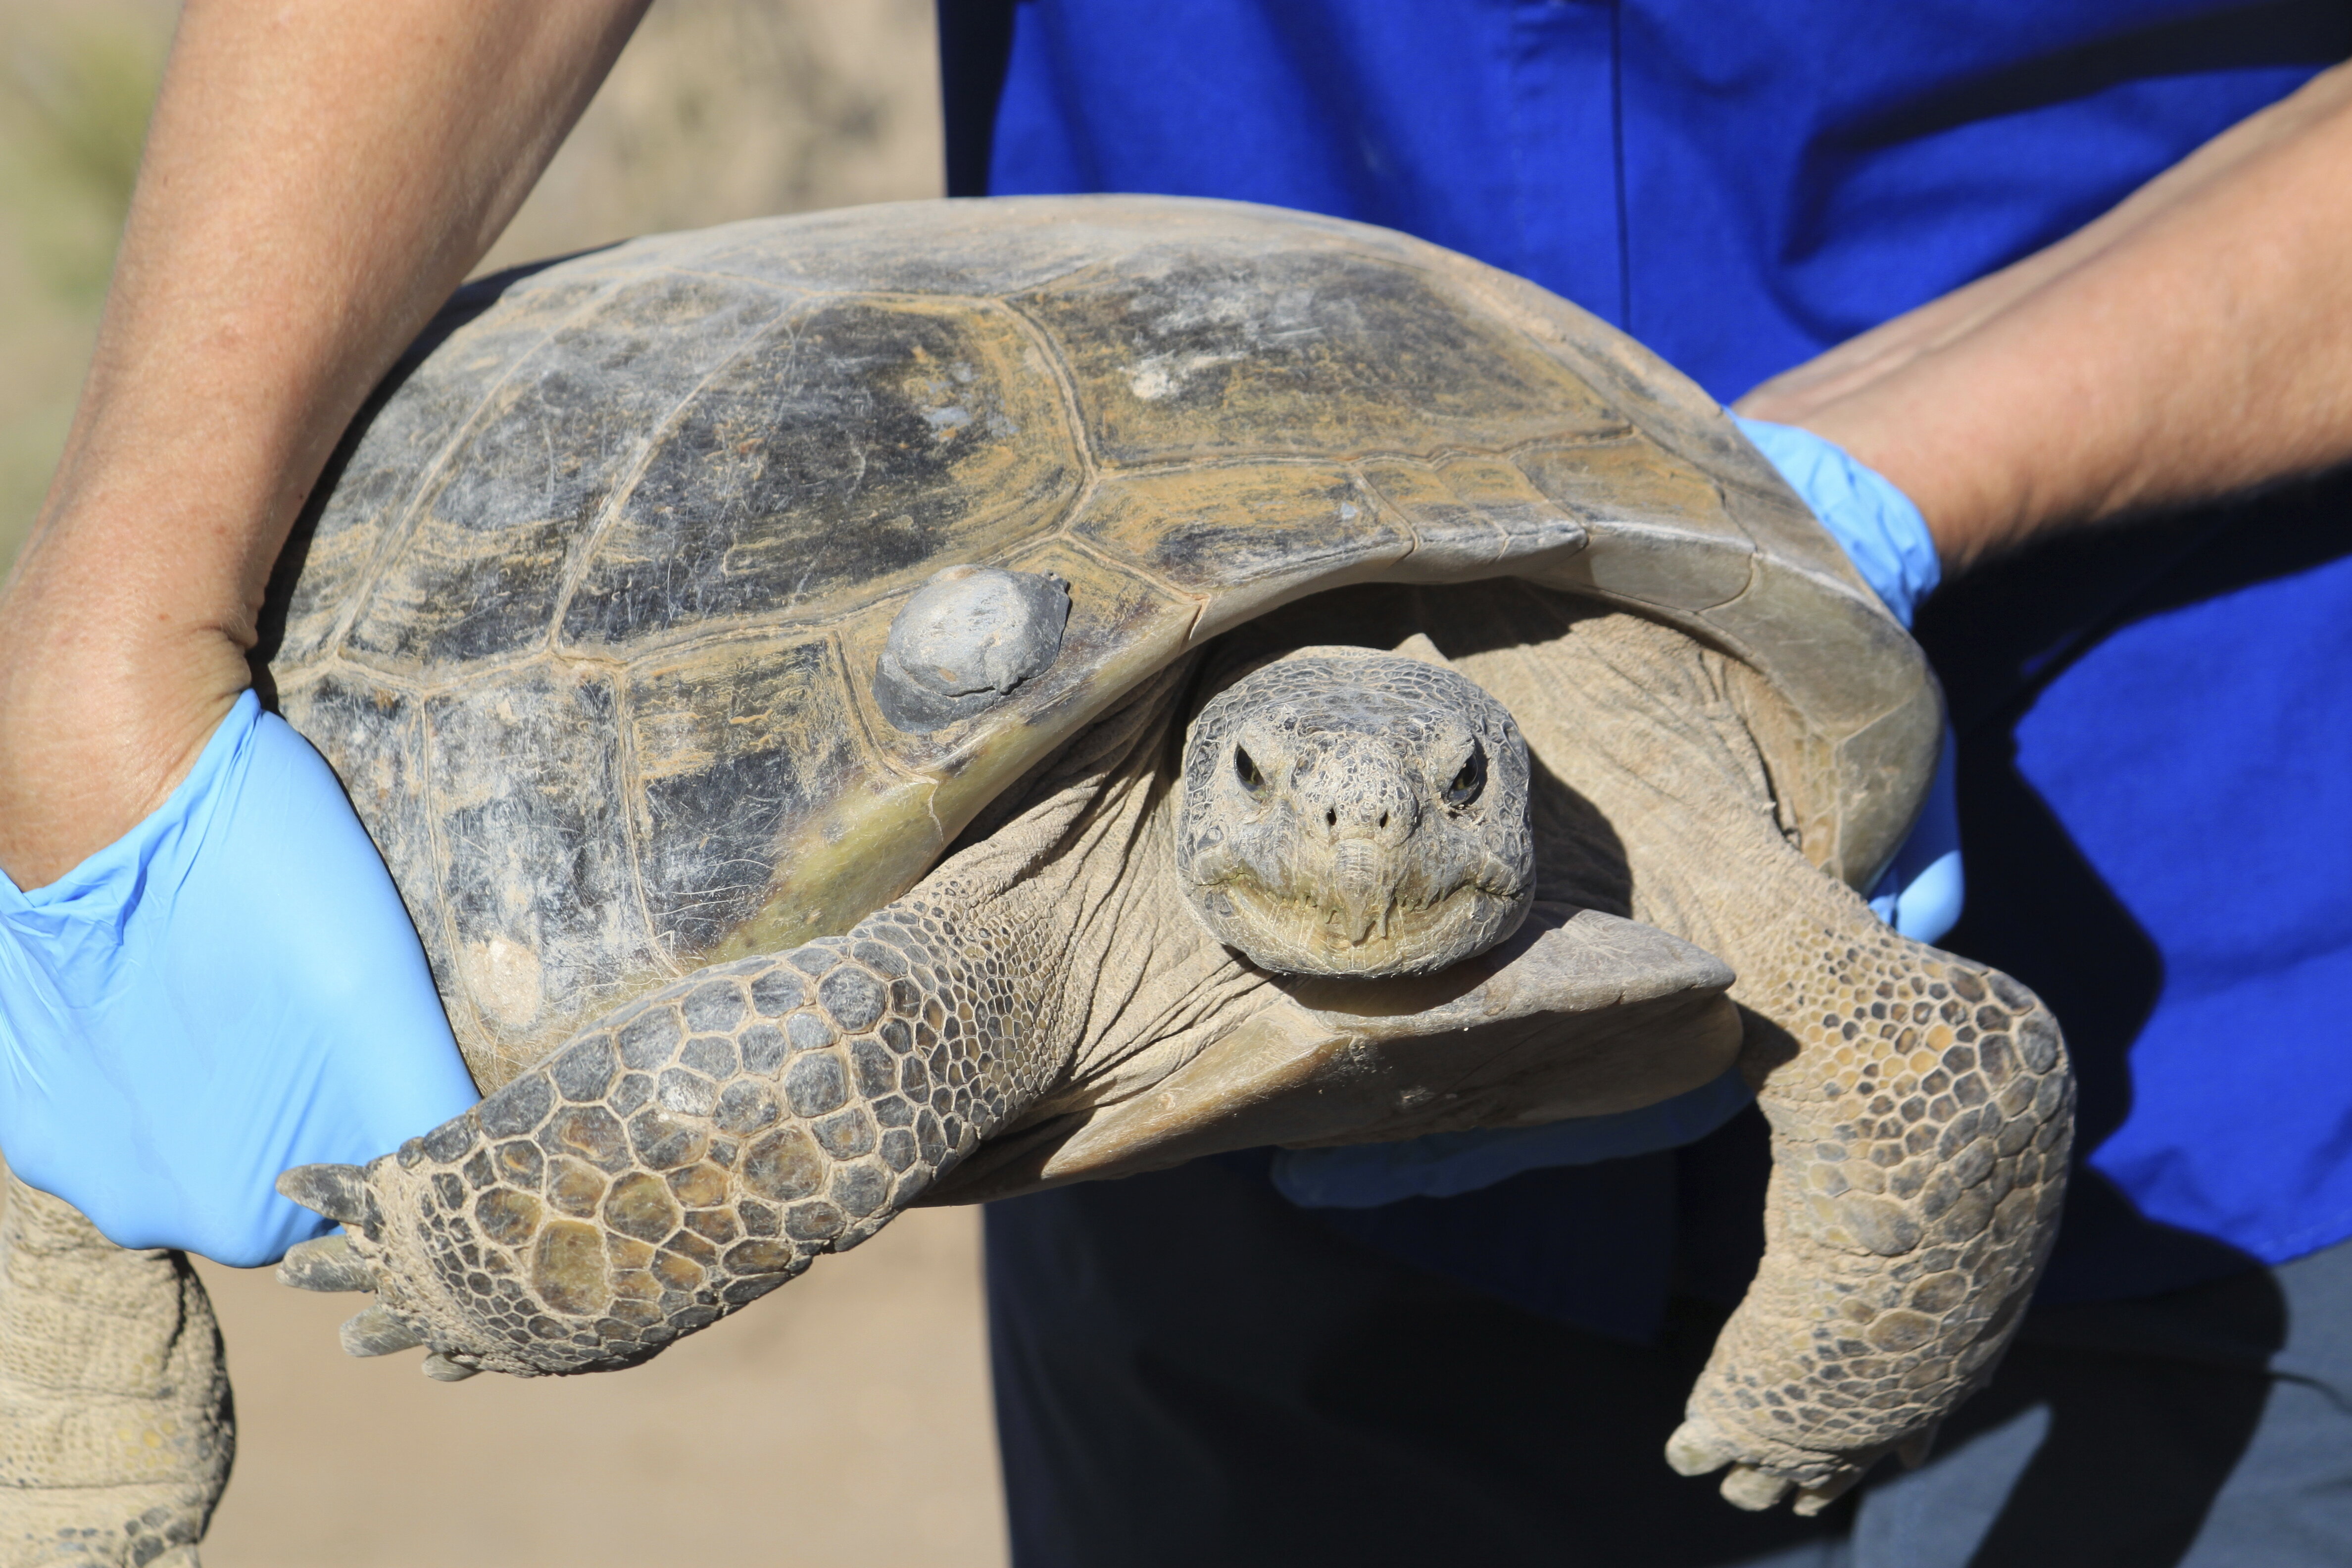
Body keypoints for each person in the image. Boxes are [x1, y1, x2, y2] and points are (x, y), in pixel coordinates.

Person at [0, 0, 2347, 1561]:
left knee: (1957, 1079)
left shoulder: (1644, 769)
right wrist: (111, 625)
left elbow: (1946, 1052)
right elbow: (851, 1033)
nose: (1351, 835)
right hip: (1209, 1214)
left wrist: (1832, 498)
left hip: (2207, 923)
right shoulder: (1016, 943)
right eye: (1276, 793)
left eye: (1426, 793)